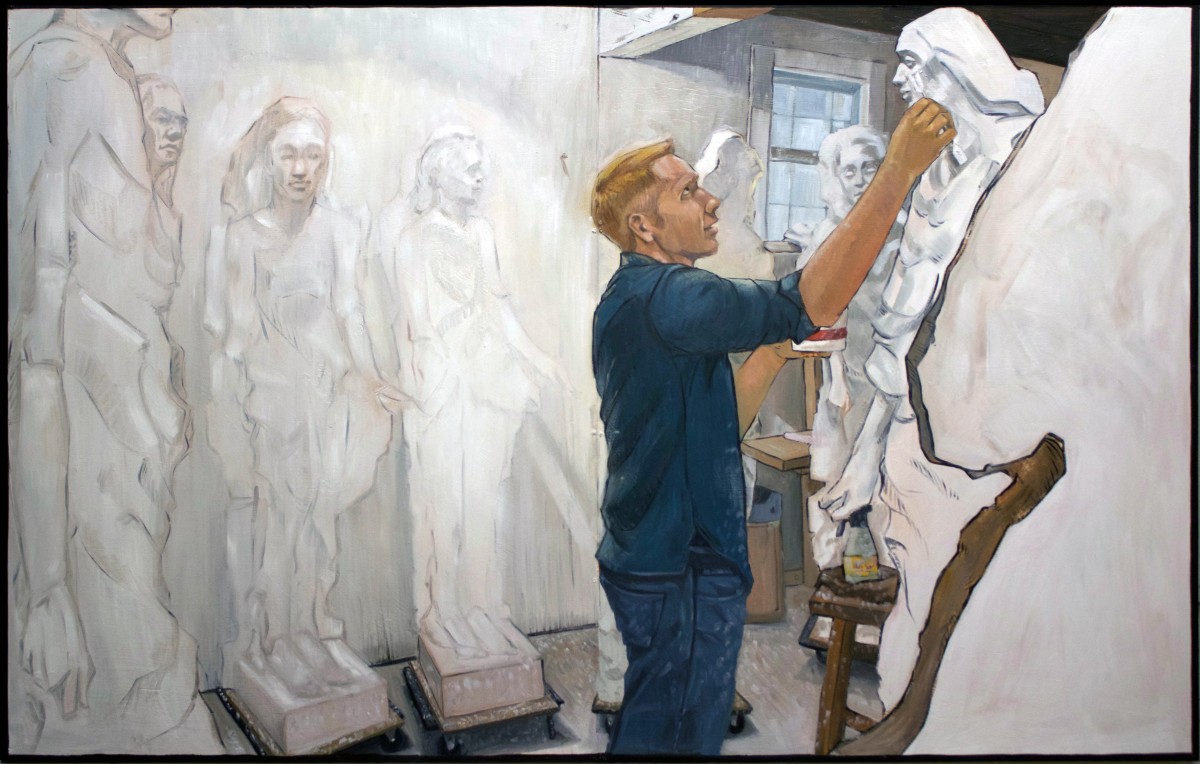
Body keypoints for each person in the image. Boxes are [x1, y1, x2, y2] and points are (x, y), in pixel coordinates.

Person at [589, 97, 956, 755]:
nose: (711, 202)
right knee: (671, 732)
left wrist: (775, 351)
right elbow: (807, 300)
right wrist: (899, 170)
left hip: (666, 557)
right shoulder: (671, 297)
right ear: (644, 226)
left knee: (674, 725)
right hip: (680, 564)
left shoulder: (639, 297)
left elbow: (717, 421)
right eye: (688, 192)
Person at [815, 8, 1044, 712]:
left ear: (959, 68)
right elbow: (899, 345)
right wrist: (865, 461)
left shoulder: (1029, 165)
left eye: (914, 64)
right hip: (911, 454)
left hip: (995, 455)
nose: (901, 82)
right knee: (914, 639)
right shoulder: (936, 179)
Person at [7, 8, 220, 754]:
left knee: (141, 656)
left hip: (133, 441)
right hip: (87, 459)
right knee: (119, 677)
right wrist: (47, 584)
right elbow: (38, 348)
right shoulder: (63, 70)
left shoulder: (108, 75)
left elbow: (136, 286)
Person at [212, 97, 393, 695]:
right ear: (268, 159)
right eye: (289, 154)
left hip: (326, 397)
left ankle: (313, 632)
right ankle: (278, 640)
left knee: (319, 522)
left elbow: (350, 310)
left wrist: (371, 377)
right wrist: (236, 407)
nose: (300, 168)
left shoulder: (340, 230)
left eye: (313, 155)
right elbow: (235, 334)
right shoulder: (242, 236)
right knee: (280, 523)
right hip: (271, 403)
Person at [383, 127, 570, 659]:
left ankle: (480, 607)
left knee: (484, 500)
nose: (480, 178)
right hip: (441, 387)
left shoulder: (482, 232)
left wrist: (537, 358)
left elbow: (498, 307)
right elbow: (415, 322)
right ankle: (442, 612)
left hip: (489, 378)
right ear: (440, 176)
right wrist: (431, 383)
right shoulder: (414, 237)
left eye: (480, 168)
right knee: (443, 505)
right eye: (470, 169)